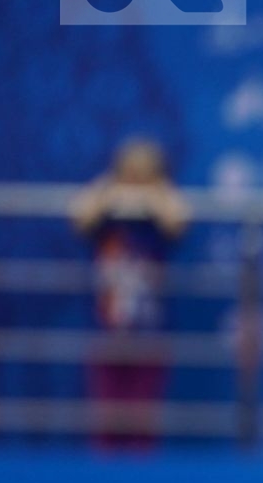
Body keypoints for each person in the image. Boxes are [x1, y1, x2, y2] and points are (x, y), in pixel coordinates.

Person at [68, 138, 189, 449]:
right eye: (130, 172)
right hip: (108, 330)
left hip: (148, 332)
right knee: (106, 418)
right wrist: (111, 187)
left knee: (142, 419)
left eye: (143, 172)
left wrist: (152, 193)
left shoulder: (159, 209)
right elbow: (79, 214)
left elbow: (179, 219)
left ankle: (141, 480)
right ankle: (106, 481)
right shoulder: (108, 210)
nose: (135, 180)